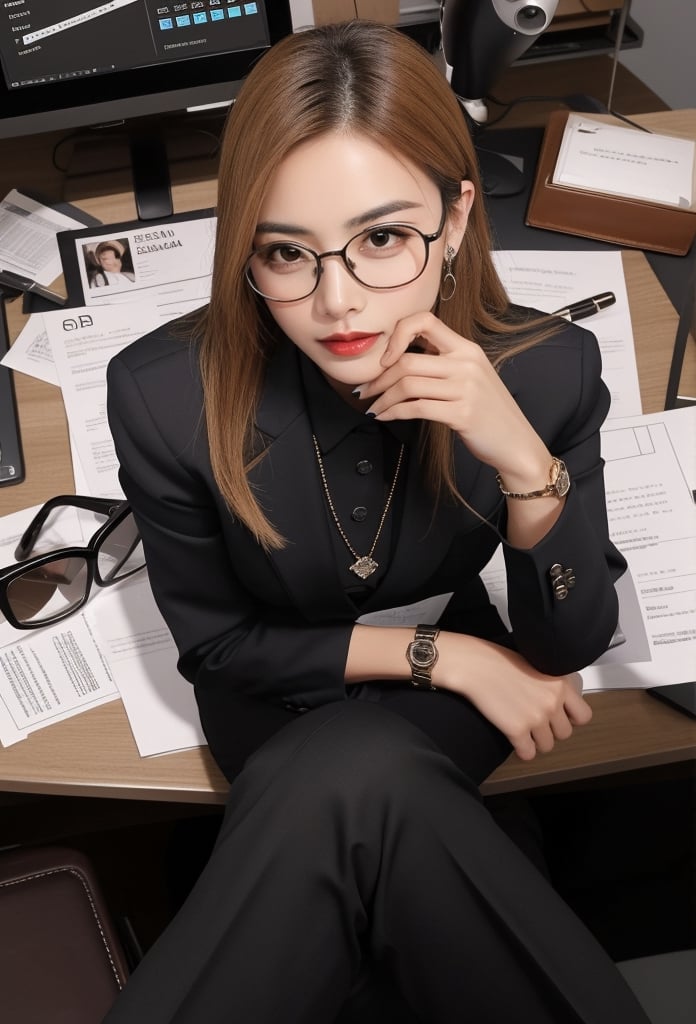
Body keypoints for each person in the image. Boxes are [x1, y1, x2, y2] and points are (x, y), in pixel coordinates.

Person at [103, 20, 649, 1024]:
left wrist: (526, 464)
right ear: (247, 251)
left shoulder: (551, 370)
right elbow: (223, 647)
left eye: (383, 237)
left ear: (455, 218)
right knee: (376, 800)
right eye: (285, 252)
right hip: (279, 700)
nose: (335, 300)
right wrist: (446, 655)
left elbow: (568, 638)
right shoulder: (162, 393)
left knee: (356, 785)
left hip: (425, 725)